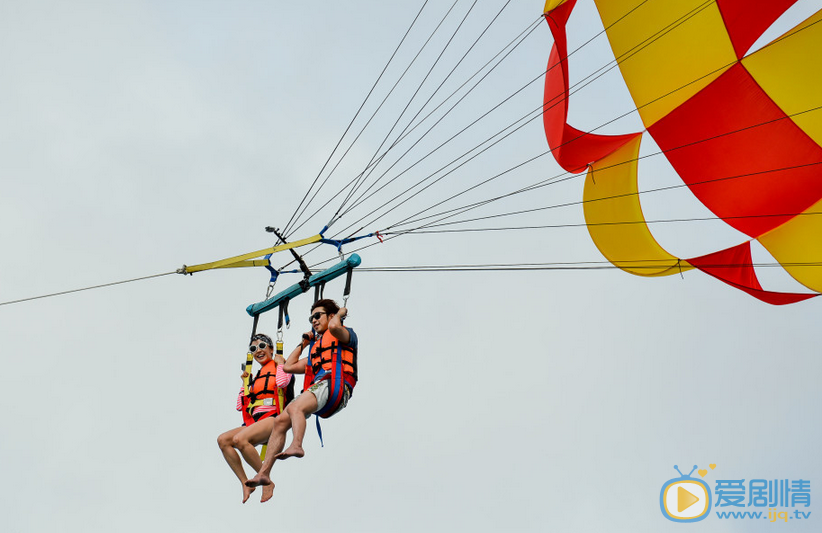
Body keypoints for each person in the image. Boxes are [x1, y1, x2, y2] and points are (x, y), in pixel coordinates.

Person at [245, 299, 358, 502]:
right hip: (320, 389)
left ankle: (297, 445)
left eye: (317, 316)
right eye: (311, 318)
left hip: (336, 386)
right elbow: (288, 366)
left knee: (295, 406)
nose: (313, 321)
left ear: (331, 316)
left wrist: (340, 313)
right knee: (280, 420)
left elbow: (334, 327)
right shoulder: (315, 354)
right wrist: (304, 343)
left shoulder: (345, 336)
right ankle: (264, 472)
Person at [216, 333, 293, 503]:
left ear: (272, 349)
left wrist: (280, 364)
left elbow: (282, 383)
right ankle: (246, 483)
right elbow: (239, 406)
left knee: (240, 439)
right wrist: (245, 385)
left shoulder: (281, 366)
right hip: (255, 422)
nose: (258, 350)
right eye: (253, 348)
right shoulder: (255, 376)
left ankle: (266, 479)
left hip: (274, 419)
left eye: (262, 346)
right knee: (223, 440)